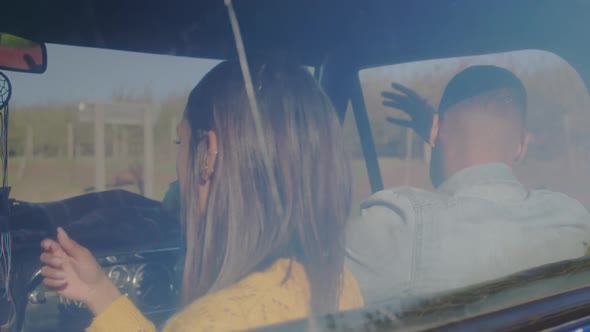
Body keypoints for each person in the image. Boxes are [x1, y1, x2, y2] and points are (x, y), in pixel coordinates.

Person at [39, 59, 363, 331]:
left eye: (181, 142)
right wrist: (100, 292)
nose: (178, 166)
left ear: (209, 151)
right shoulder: (341, 285)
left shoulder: (211, 321)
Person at [345, 65, 590, 304]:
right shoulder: (572, 217)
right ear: (522, 145)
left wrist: (440, 132)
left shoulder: (402, 227)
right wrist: (439, 130)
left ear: (435, 129)